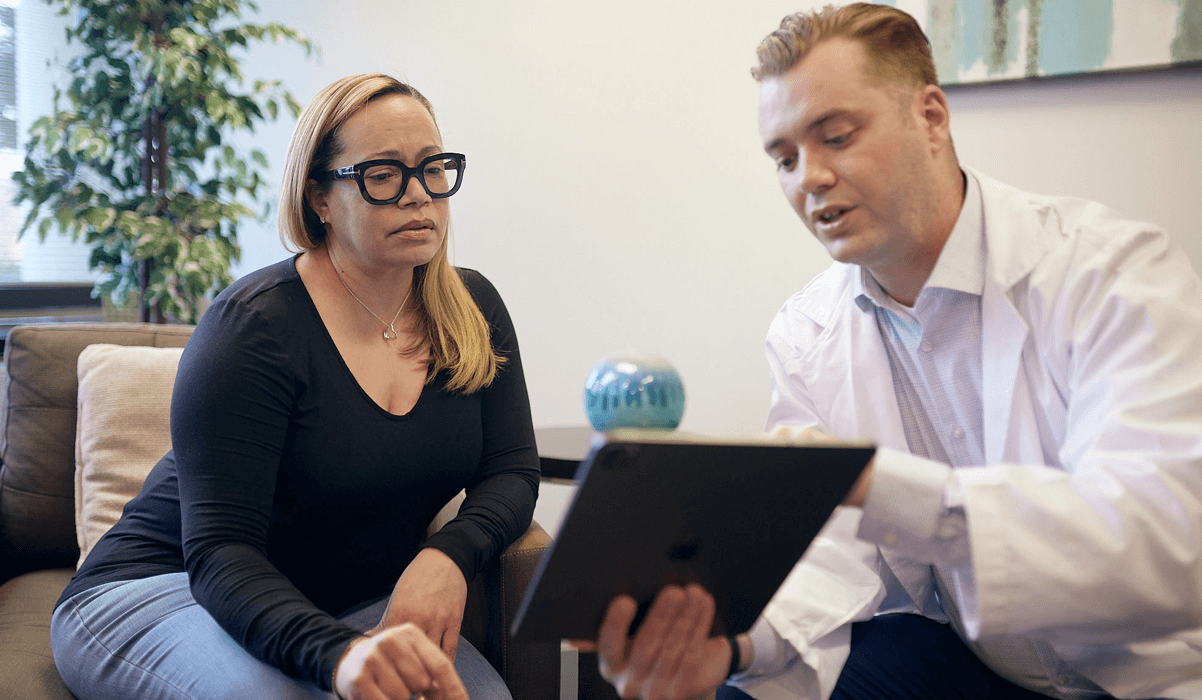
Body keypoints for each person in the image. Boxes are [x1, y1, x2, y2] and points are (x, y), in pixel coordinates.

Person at [582, 4, 1202, 700]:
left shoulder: (1110, 273)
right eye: (784, 158)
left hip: (1155, 676)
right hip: (975, 666)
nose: (808, 178)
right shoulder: (805, 331)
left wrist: (874, 483)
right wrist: (731, 648)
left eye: (836, 136)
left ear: (932, 118)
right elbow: (831, 562)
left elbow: (1166, 542)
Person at [50, 73, 540, 700]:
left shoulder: (472, 307)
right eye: (383, 174)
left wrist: (449, 554)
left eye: (433, 168)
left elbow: (513, 468)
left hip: (345, 604)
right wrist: (339, 658)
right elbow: (221, 553)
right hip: (163, 590)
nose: (419, 196)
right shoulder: (254, 327)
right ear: (320, 199)